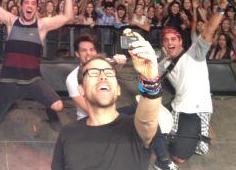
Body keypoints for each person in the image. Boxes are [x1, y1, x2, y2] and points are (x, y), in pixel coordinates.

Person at [0, 0, 76, 129]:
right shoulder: (11, 21)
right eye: (26, 2)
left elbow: (67, 16)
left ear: (36, 7)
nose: (29, 6)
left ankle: (48, 110)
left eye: (33, 3)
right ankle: (9, 101)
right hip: (8, 81)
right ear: (21, 6)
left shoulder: (41, 26)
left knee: (58, 106)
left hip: (32, 80)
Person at [153, 0, 232, 170]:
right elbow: (149, 78)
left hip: (195, 111)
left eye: (174, 39)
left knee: (179, 158)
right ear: (163, 44)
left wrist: (220, 8)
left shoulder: (194, 53)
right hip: (176, 106)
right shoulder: (163, 64)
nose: (170, 42)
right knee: (146, 121)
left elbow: (208, 31)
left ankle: (200, 135)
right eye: (166, 40)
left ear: (180, 41)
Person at [52, 39, 161, 170]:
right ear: (81, 89)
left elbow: (147, 122)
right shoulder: (67, 133)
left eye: (109, 73)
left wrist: (150, 80)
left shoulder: (135, 128)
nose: (103, 76)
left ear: (118, 89)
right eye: (93, 73)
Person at [65, 34, 127, 120]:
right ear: (77, 54)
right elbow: (89, 109)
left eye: (92, 49)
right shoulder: (72, 79)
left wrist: (120, 64)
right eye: (84, 50)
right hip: (88, 119)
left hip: (109, 114)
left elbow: (111, 74)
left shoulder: (103, 66)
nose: (89, 53)